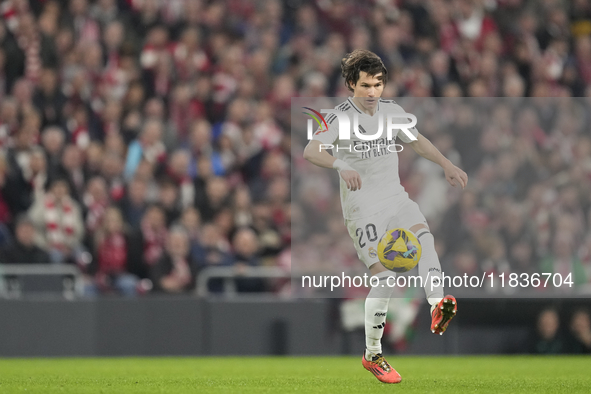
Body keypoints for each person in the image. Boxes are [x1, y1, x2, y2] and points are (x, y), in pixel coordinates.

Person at [303, 49, 468, 384]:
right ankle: (373, 355)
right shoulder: (338, 118)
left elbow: (417, 141)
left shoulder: (392, 112)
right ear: (351, 84)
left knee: (425, 237)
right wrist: (340, 163)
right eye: (365, 85)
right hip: (362, 208)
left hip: (396, 198)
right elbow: (311, 150)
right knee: (385, 279)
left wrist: (446, 164)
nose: (372, 92)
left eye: (378, 84)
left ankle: (438, 303)